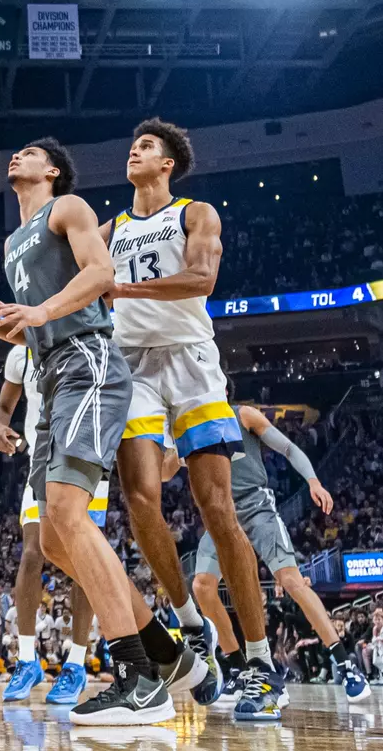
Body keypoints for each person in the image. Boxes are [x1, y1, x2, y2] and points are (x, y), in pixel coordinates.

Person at [0, 138, 172, 726]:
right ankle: (158, 646)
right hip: (52, 374)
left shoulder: (69, 208)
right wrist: (0, 327)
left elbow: (101, 274)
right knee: (54, 539)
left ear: (51, 171)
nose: (16, 156)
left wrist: (38, 312)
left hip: (89, 361)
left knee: (68, 511)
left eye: (28, 153)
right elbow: (35, 329)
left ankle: (138, 675)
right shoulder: (11, 244)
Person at [103, 118, 283, 721]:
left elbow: (203, 279)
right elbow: (70, 281)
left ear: (168, 165)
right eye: (135, 144)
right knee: (140, 497)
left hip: (193, 363)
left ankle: (259, 662)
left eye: (148, 146)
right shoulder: (111, 228)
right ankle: (189, 624)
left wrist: (122, 293)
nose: (135, 149)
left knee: (217, 509)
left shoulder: (195, 214)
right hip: (133, 368)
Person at [191, 384, 371, 703]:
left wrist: (313, 480)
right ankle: (237, 667)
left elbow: (288, 448)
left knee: (291, 580)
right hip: (221, 513)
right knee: (203, 586)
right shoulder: (192, 428)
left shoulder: (243, 415)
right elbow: (166, 470)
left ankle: (346, 664)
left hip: (256, 506)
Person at [0, 342, 107, 706]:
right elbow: (4, 408)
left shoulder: (88, 341)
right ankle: (27, 659)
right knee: (32, 552)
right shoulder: (21, 353)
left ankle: (76, 662)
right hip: (40, 462)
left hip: (86, 458)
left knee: (82, 562)